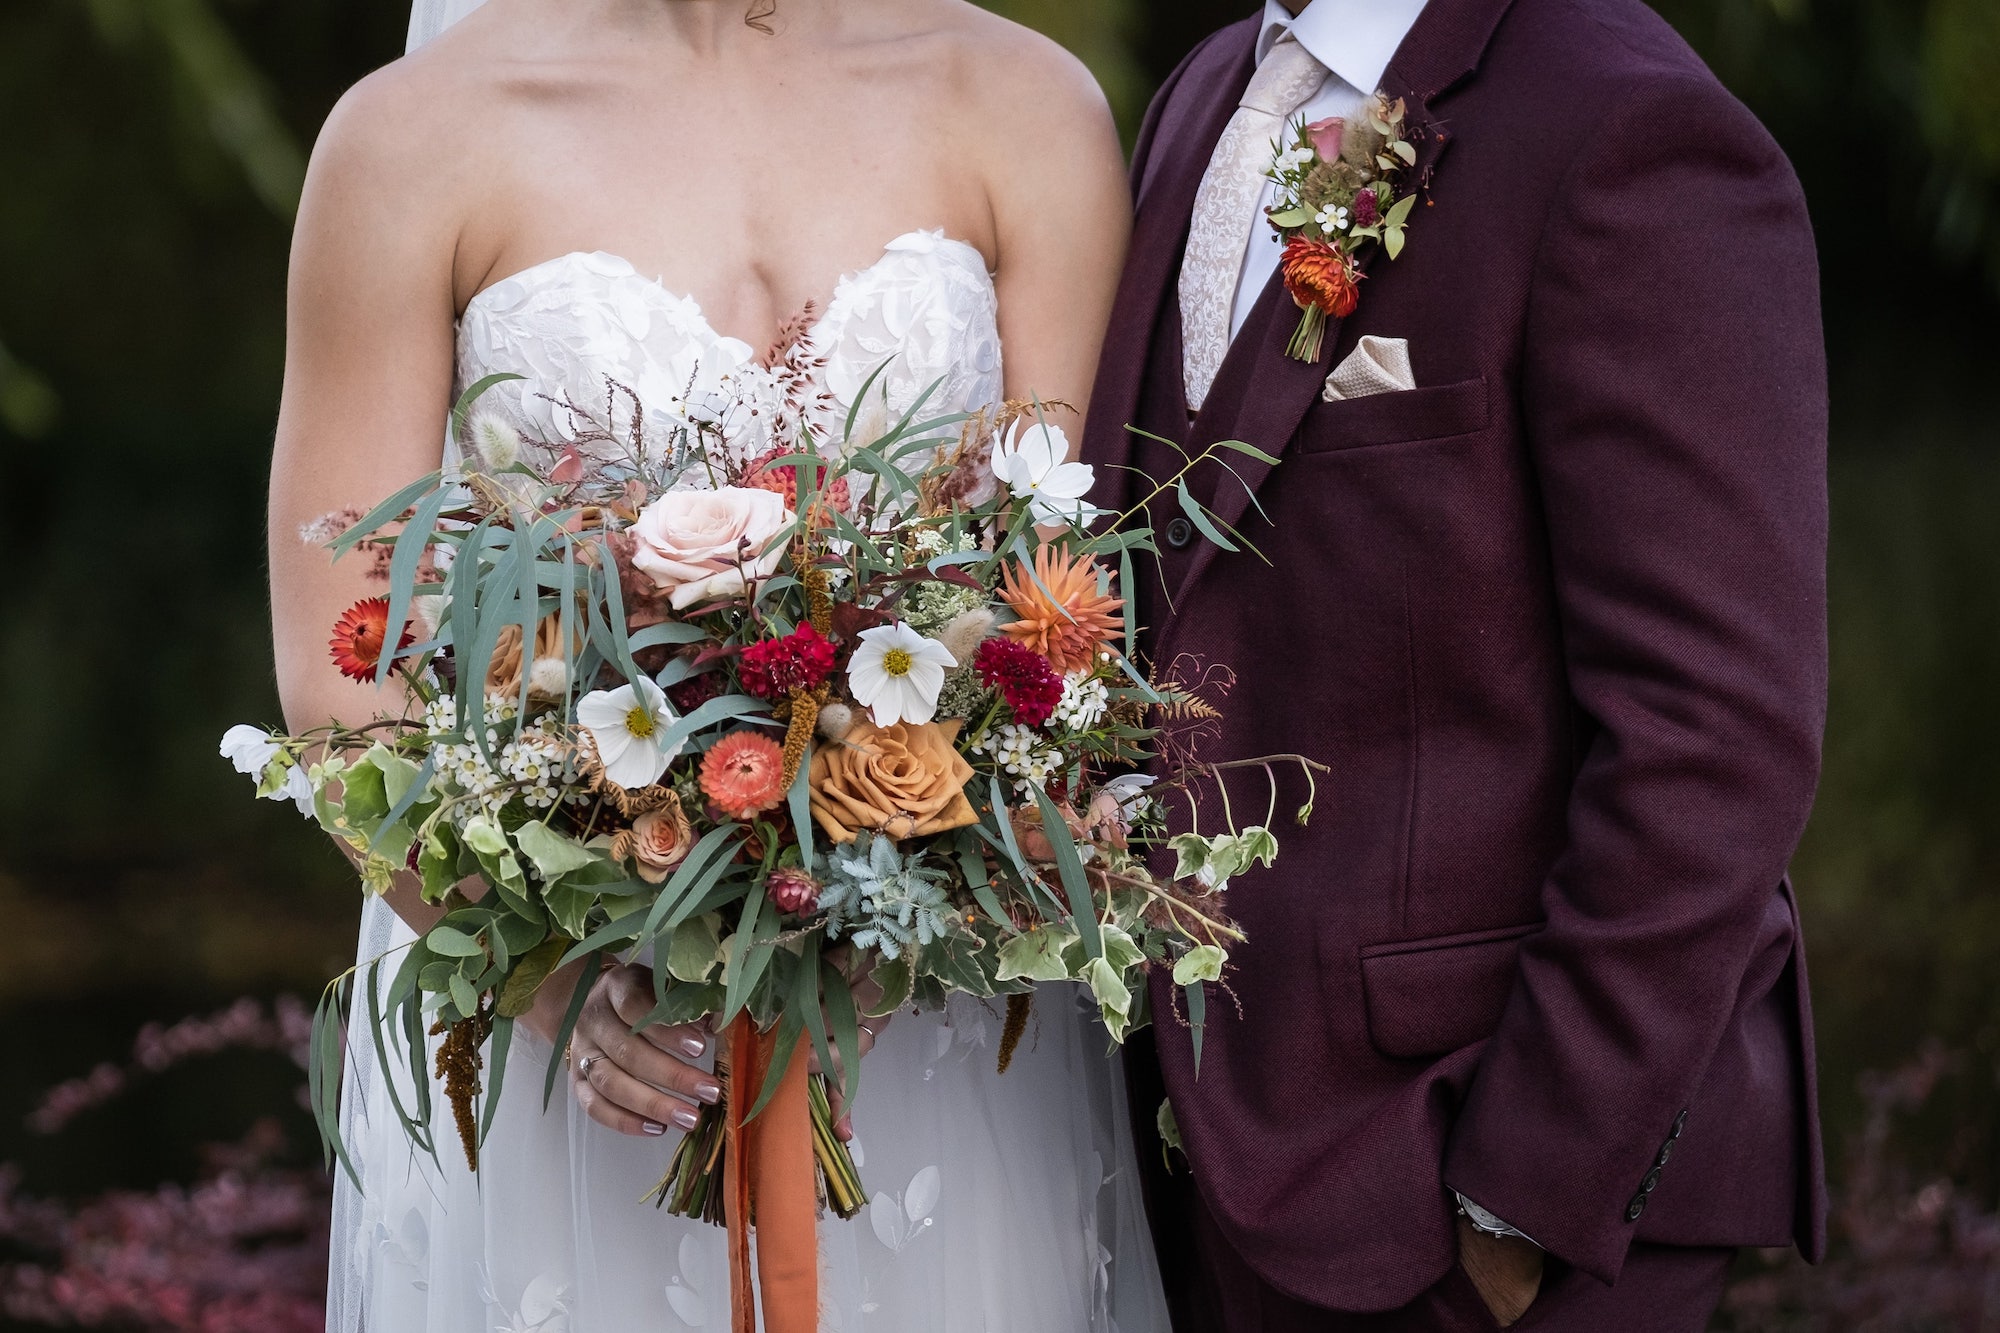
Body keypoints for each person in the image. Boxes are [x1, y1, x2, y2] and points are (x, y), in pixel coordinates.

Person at [267, 0, 1161, 1328]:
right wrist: (551, 975)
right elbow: (341, 680)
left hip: (937, 1048)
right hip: (576, 1067)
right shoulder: (410, 140)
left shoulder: (1026, 109)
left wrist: (911, 918)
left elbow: (1057, 603)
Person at [1083, 0, 1828, 1328]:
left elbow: (1715, 738)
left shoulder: (1625, 125)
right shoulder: (1200, 100)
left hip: (1472, 1182)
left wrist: (1513, 1210)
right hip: (1205, 1164)